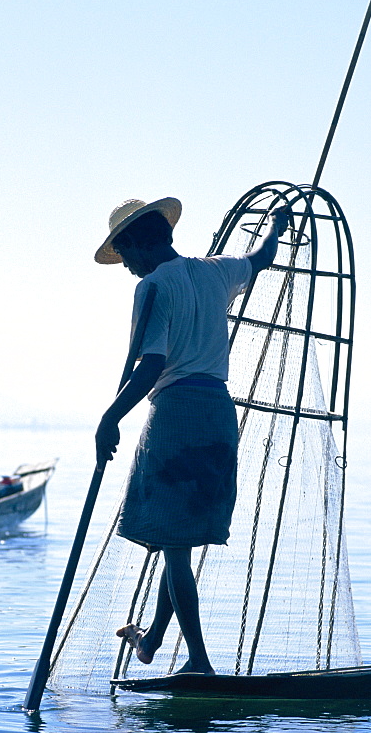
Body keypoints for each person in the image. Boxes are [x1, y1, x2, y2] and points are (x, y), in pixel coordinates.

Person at [94, 196, 291, 674]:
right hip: (219, 416)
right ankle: (152, 640)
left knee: (175, 545)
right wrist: (278, 228)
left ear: (142, 243)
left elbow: (152, 366)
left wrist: (110, 418)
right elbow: (261, 260)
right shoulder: (214, 272)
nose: (126, 267)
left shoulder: (154, 288)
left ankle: (199, 660)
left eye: (126, 255)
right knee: (176, 538)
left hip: (178, 416)